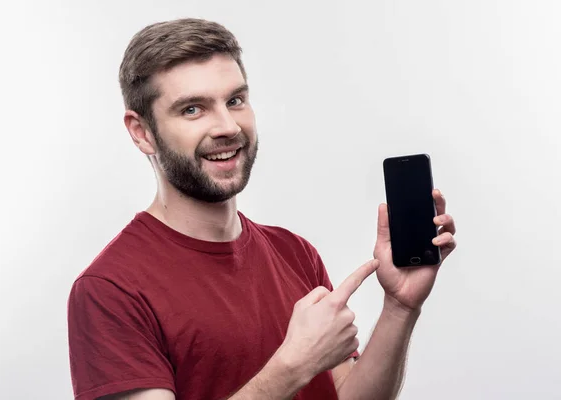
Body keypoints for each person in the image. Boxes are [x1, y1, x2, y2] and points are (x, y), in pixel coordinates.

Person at [66, 18, 457, 400]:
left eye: (235, 100)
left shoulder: (294, 252)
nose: (227, 127)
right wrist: (294, 365)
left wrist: (400, 308)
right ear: (142, 132)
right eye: (192, 109)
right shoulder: (110, 290)